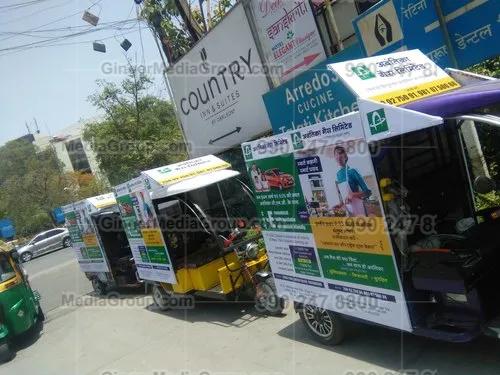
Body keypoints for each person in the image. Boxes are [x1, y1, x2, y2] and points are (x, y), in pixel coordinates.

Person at [333, 146, 371, 217]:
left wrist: (353, 194)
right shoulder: (338, 174)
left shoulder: (353, 171)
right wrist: (340, 204)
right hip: (348, 211)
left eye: (340, 153)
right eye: (336, 154)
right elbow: (345, 197)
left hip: (359, 209)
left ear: (345, 156)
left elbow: (368, 192)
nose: (338, 156)